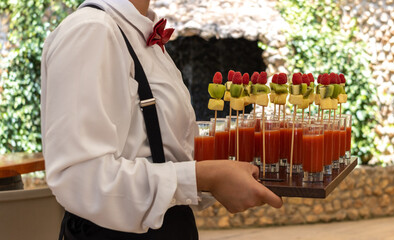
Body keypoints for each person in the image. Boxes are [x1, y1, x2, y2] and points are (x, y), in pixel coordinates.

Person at [40, 0, 283, 239]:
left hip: (172, 226)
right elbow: (81, 179)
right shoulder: (91, 30)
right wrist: (204, 176)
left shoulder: (142, 32)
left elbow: (163, 150)